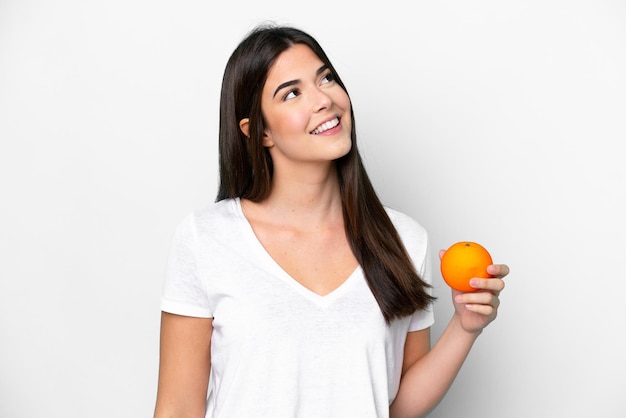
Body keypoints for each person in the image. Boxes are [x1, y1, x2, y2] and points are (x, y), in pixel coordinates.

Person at [154, 23, 509, 418]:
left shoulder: (404, 241)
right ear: (258, 132)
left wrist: (465, 327)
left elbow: (395, 405)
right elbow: (177, 408)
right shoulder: (206, 239)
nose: (323, 99)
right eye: (292, 93)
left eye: (326, 78)